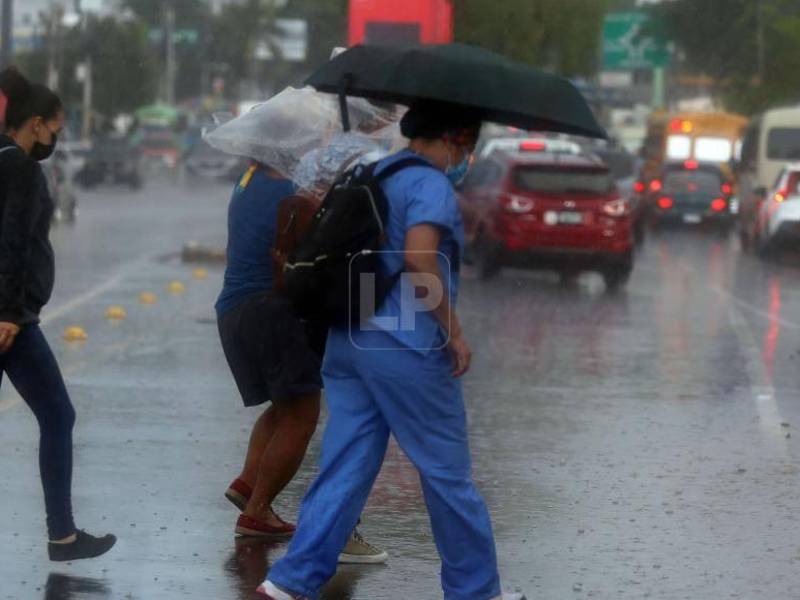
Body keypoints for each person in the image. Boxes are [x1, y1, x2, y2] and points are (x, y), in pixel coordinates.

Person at [257, 101, 527, 600]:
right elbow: (420, 262)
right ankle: (476, 590)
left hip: (352, 336)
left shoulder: (371, 171)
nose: (464, 156)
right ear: (455, 138)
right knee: (447, 471)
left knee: (347, 462)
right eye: (466, 146)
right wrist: (454, 332)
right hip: (407, 343)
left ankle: (289, 582)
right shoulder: (428, 184)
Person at [216, 160, 387, 563]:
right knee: (301, 414)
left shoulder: (246, 181)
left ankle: (248, 484)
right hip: (271, 309)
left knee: (284, 405)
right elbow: (315, 248)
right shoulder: (291, 193)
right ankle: (257, 512)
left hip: (234, 308)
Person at [0, 67, 116, 561]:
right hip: (12, 319)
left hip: (13, 313)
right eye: (56, 129)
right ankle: (62, 536)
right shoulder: (22, 169)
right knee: (58, 415)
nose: (56, 139)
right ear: (35, 124)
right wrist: (7, 312)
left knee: (56, 415)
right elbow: (13, 243)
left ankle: (64, 535)